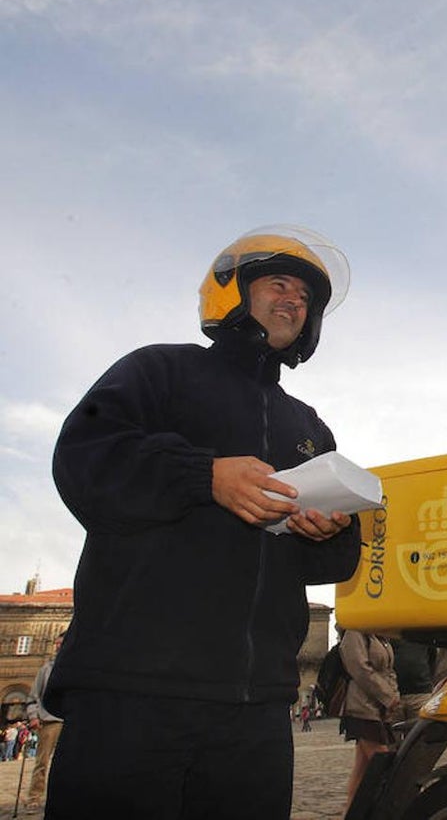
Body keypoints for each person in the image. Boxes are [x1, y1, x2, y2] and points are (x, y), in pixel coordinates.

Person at [44, 225, 362, 820]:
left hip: (259, 709)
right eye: (279, 283)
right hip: (133, 693)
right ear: (232, 290)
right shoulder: (158, 371)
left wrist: (331, 531)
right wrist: (204, 476)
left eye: (306, 298)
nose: (294, 300)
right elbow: (84, 458)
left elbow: (328, 566)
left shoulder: (310, 428)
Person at [339, 631, 401, 809]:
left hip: (377, 708)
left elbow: (389, 670)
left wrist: (393, 694)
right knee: (382, 763)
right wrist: (387, 695)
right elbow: (360, 670)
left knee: (362, 769)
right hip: (361, 708)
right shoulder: (355, 633)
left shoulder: (381, 635)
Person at [25, 631, 66, 807]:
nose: (58, 646)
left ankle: (64, 796)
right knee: (42, 761)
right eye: (56, 643)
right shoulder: (46, 669)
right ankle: (35, 797)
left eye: (61, 643)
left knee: (67, 761)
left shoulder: (75, 668)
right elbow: (34, 696)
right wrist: (34, 716)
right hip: (50, 721)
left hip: (70, 722)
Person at [391, 638, 438, 720]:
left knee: (423, 730)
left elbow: (432, 658)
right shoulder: (388, 635)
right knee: (394, 730)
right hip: (394, 696)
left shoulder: (422, 636)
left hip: (421, 693)